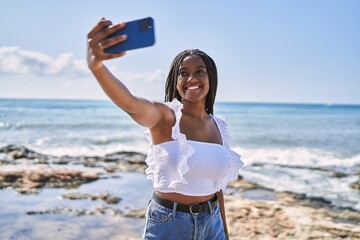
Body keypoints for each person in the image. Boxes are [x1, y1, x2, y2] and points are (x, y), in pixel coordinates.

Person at [87, 18, 244, 240]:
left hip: (212, 224)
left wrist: (225, 234)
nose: (191, 78)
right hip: (169, 226)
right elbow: (130, 104)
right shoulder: (166, 117)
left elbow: (217, 189)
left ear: (211, 78)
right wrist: (97, 68)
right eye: (183, 73)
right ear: (175, 80)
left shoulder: (219, 126)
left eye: (200, 71)